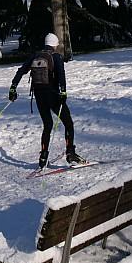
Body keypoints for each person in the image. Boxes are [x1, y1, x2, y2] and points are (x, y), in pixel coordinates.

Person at [8, 33, 83, 168]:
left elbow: (21, 71)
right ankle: (70, 153)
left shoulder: (35, 56)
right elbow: (61, 75)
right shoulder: (56, 57)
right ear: (55, 44)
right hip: (53, 95)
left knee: (47, 125)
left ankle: (43, 157)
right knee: (68, 123)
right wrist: (63, 91)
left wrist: (13, 88)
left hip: (39, 96)